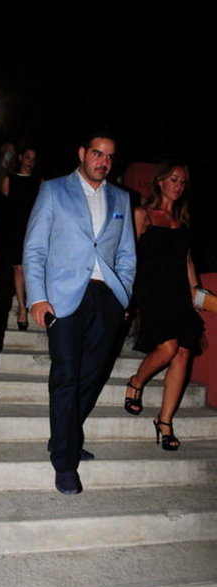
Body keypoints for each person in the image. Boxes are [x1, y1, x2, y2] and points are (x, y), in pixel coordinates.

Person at [23, 129, 136, 495]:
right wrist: (37, 297)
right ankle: (64, 461)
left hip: (106, 297)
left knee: (93, 375)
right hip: (64, 296)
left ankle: (64, 436)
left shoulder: (121, 198)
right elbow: (35, 248)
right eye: (97, 154)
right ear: (82, 153)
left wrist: (123, 296)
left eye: (109, 157)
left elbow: (127, 254)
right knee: (66, 375)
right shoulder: (54, 190)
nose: (103, 161)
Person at [124, 161, 203, 449]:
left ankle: (165, 421)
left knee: (183, 353)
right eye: (173, 179)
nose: (178, 185)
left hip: (179, 293)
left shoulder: (182, 221)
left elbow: (186, 260)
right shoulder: (141, 214)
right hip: (152, 291)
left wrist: (196, 291)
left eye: (182, 181)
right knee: (168, 349)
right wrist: (126, 294)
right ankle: (136, 381)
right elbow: (128, 256)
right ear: (160, 181)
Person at [2, 147, 41, 330]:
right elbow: (4, 208)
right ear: (20, 158)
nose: (30, 162)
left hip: (33, 231)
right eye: (27, 157)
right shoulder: (10, 180)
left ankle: (31, 301)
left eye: (33, 159)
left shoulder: (39, 182)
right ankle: (22, 308)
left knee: (30, 268)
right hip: (15, 230)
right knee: (18, 268)